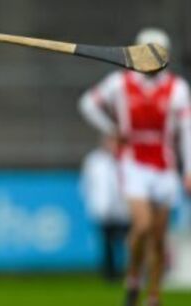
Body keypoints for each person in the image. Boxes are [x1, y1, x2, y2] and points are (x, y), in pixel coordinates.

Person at [79, 27, 191, 306]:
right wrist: (112, 129)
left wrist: (189, 169)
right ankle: (133, 278)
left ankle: (153, 295)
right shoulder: (119, 83)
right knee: (141, 226)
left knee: (159, 237)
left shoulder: (177, 88)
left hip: (164, 166)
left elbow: (187, 131)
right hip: (133, 164)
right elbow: (88, 104)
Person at [80, 135, 130, 281]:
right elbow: (87, 184)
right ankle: (109, 272)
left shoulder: (126, 158)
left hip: (124, 208)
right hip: (103, 208)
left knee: (127, 241)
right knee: (106, 242)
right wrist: (92, 203)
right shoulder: (94, 160)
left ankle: (128, 270)